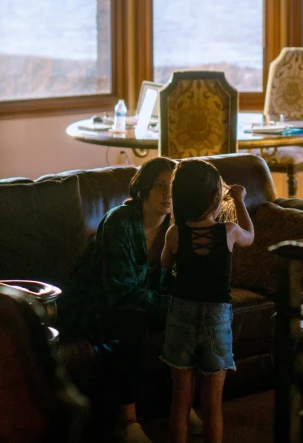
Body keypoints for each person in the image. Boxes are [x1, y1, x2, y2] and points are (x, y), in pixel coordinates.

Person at [59, 157, 202, 443]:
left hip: (135, 299)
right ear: (144, 189)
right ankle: (127, 421)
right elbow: (120, 292)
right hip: (93, 303)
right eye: (160, 186)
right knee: (134, 321)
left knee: (188, 316)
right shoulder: (119, 222)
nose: (168, 194)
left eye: (173, 188)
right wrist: (169, 306)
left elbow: (173, 280)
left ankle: (182, 404)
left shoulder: (175, 227)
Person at [160, 159, 254, 443]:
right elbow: (250, 236)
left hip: (181, 315)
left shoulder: (174, 233)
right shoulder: (229, 231)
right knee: (212, 404)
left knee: (180, 400)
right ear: (216, 198)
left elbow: (164, 264)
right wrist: (239, 200)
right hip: (217, 318)